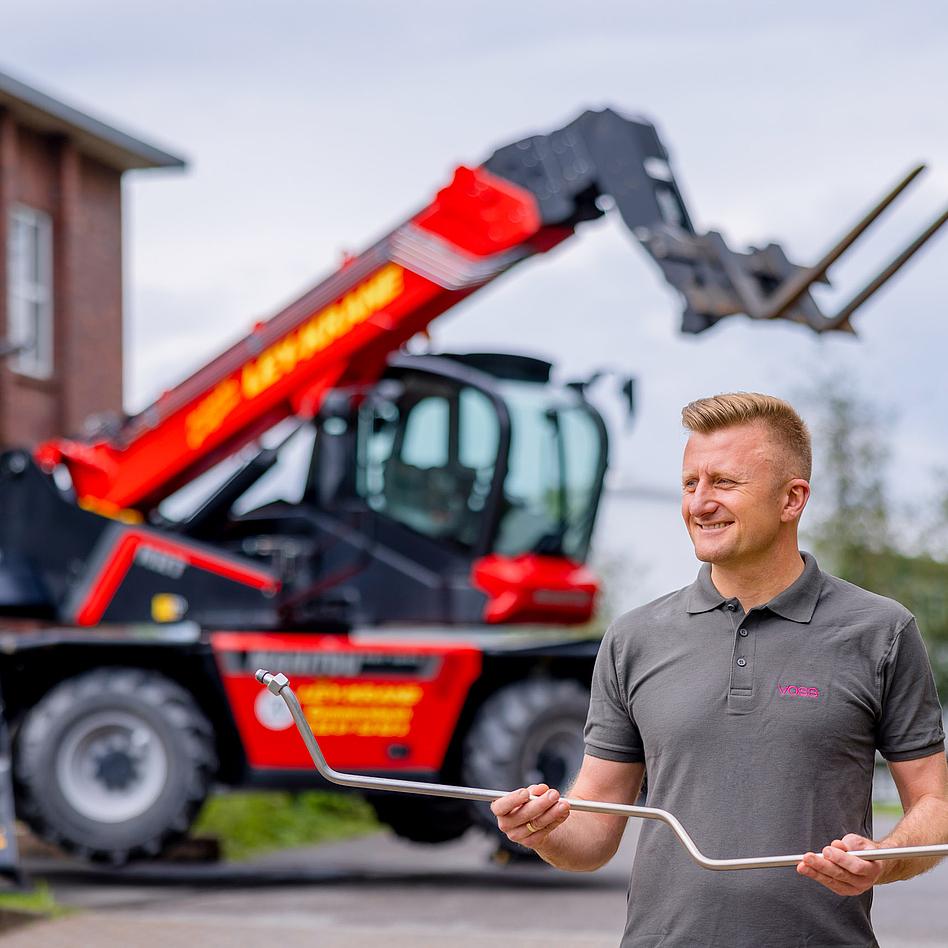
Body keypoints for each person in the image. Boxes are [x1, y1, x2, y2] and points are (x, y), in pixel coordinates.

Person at [491, 392, 948, 947]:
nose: (699, 503)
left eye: (724, 483)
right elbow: (592, 834)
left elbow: (936, 806)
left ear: (792, 499)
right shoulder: (634, 637)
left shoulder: (880, 632)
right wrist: (542, 832)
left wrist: (883, 860)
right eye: (690, 484)